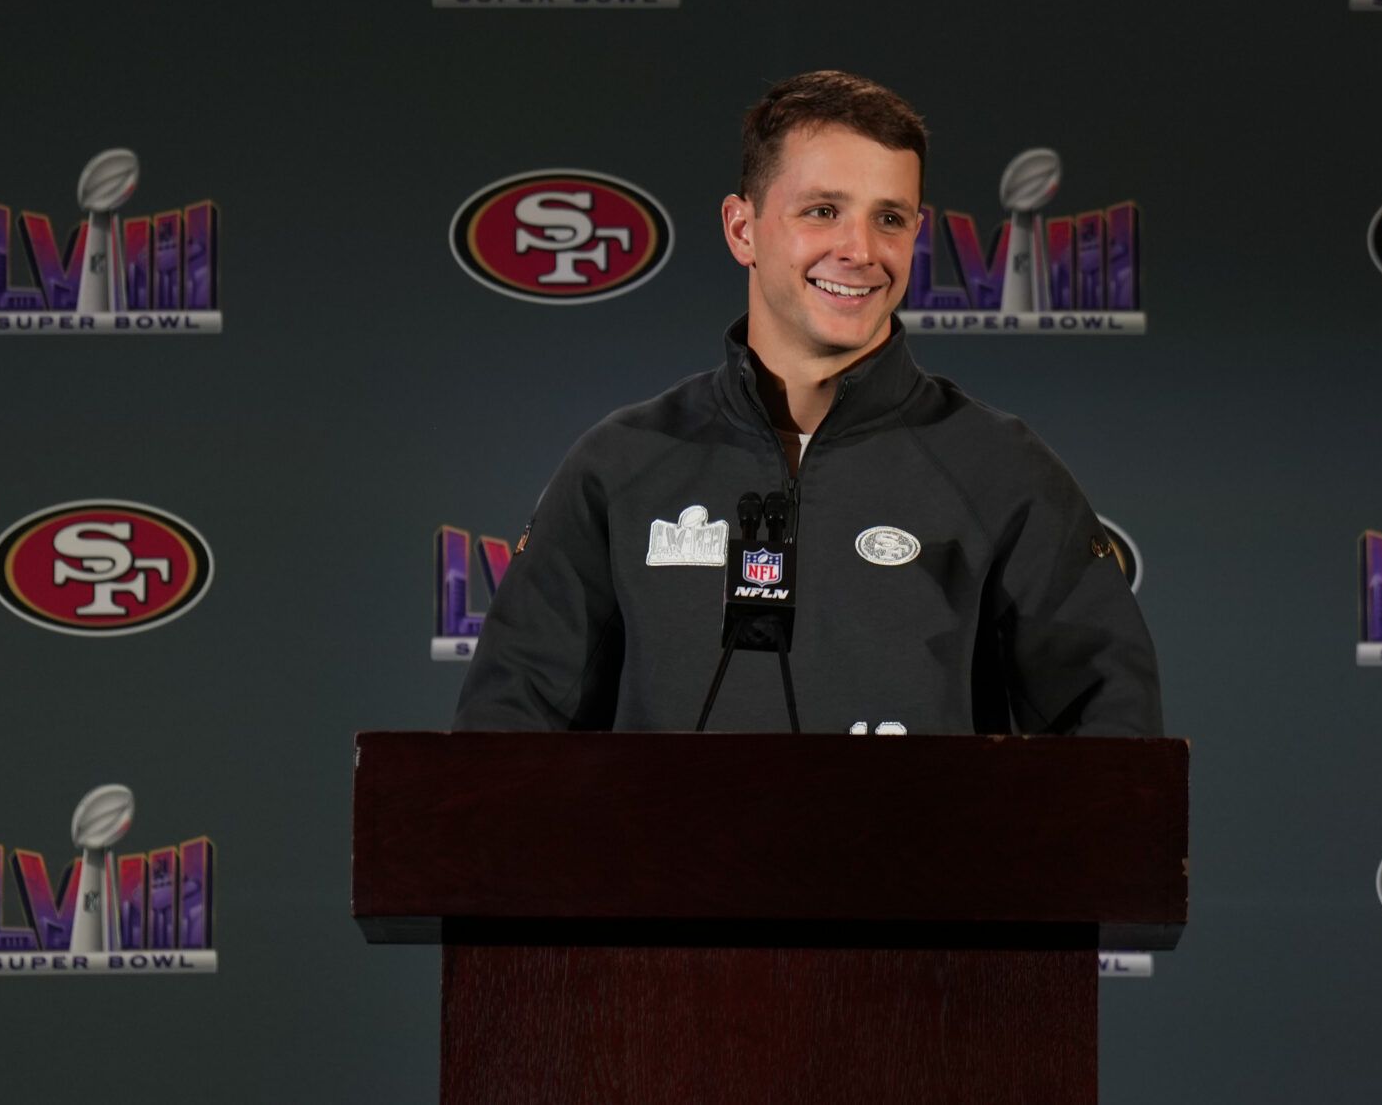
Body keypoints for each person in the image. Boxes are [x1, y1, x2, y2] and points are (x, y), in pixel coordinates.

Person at [453, 70, 1161, 736]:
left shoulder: (1001, 469)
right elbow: (505, 739)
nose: (859, 249)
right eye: (823, 211)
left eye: (890, 218)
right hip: (669, 872)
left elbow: (1110, 740)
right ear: (742, 229)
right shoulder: (622, 464)